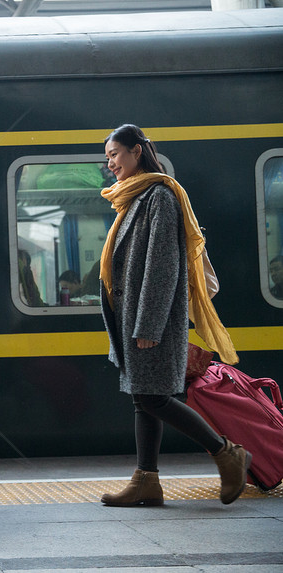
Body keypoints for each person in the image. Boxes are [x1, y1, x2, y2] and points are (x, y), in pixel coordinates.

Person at [98, 124, 250, 507]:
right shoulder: (133, 197)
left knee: (155, 399)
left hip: (152, 319)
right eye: (108, 158)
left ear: (136, 151)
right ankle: (146, 479)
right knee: (143, 396)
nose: (111, 164)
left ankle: (227, 453)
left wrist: (149, 323)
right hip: (133, 315)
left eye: (115, 154)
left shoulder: (160, 196)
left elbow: (162, 265)